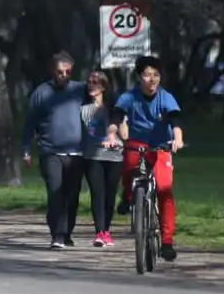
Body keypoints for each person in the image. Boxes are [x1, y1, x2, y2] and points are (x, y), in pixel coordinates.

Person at [113, 54, 185, 262]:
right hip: (138, 143)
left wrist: (178, 139)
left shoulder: (165, 97)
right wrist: (113, 134)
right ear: (139, 77)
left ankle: (167, 241)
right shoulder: (130, 97)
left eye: (156, 75)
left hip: (161, 146)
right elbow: (117, 115)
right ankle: (128, 196)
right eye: (147, 75)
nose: (152, 79)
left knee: (165, 190)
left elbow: (175, 120)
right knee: (129, 166)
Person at [21, 51, 87, 249]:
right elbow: (30, 123)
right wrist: (26, 150)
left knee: (72, 196)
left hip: (76, 153)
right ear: (52, 71)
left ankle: (67, 233)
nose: (63, 75)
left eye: (67, 72)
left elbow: (101, 101)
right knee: (55, 192)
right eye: (60, 72)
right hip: (50, 151)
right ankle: (57, 234)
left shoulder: (80, 90)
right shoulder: (41, 93)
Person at [81, 70, 124, 248]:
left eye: (96, 82)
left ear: (104, 86)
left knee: (110, 194)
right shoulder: (83, 108)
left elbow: (124, 132)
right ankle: (99, 232)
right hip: (93, 155)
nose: (92, 85)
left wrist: (120, 132)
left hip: (115, 156)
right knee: (97, 193)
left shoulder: (115, 108)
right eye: (90, 82)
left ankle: (107, 230)